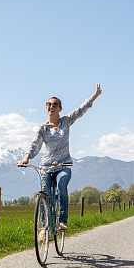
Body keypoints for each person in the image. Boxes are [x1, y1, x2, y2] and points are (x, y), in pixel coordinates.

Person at [17, 84, 102, 231]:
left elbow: (80, 110)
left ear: (60, 108)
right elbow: (34, 145)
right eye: (48, 104)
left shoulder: (66, 121)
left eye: (55, 104)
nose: (51, 106)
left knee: (62, 186)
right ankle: (44, 228)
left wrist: (95, 95)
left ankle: (63, 222)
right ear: (46, 107)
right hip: (46, 166)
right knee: (45, 195)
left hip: (64, 165)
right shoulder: (42, 129)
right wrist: (26, 158)